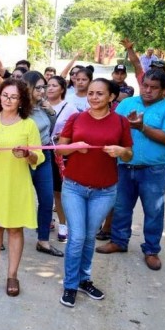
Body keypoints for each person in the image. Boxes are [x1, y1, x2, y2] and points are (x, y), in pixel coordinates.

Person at [96, 70, 165, 271]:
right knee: (121, 206)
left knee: (153, 211)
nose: (148, 90)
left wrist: (142, 127)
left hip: (154, 170)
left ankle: (151, 250)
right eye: (145, 85)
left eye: (154, 88)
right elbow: (112, 128)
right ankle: (119, 241)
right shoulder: (127, 104)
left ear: (163, 90)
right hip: (124, 166)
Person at [57, 78, 133, 308]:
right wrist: (73, 147)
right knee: (77, 236)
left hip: (105, 191)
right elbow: (60, 148)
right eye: (90, 93)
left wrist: (121, 151)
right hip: (74, 187)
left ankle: (84, 279)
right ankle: (70, 285)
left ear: (111, 97)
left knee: (89, 237)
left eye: (100, 93)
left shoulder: (120, 122)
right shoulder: (76, 118)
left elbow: (129, 154)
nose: (93, 97)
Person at [0, 79, 44, 297]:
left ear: (22, 100)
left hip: (17, 184)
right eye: (4, 95)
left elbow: (39, 155)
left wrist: (28, 154)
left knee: (15, 229)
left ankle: (13, 275)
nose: (8, 100)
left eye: (13, 97)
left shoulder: (28, 124)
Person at [22, 71, 63, 257]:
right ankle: (3, 235)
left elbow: (51, 126)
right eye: (38, 87)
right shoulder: (18, 108)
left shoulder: (42, 106)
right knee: (18, 198)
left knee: (47, 199)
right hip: (24, 157)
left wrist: (50, 111)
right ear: (28, 88)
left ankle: (43, 241)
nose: (43, 91)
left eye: (43, 87)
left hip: (44, 155)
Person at [46, 76, 78, 241]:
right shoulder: (38, 106)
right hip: (41, 153)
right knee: (44, 191)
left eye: (54, 86)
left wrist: (64, 136)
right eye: (48, 85)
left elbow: (77, 131)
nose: (50, 88)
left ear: (62, 89)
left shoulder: (70, 108)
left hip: (59, 155)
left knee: (59, 192)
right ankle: (46, 220)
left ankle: (63, 225)